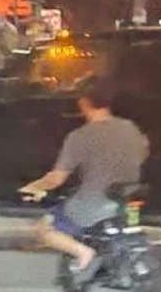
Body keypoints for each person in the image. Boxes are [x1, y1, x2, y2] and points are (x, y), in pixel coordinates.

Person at [18, 75, 149, 276]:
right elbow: (143, 153)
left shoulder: (80, 136)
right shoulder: (131, 128)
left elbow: (56, 179)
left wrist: (34, 187)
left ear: (83, 102)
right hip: (127, 200)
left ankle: (83, 252)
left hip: (95, 204)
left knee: (45, 228)